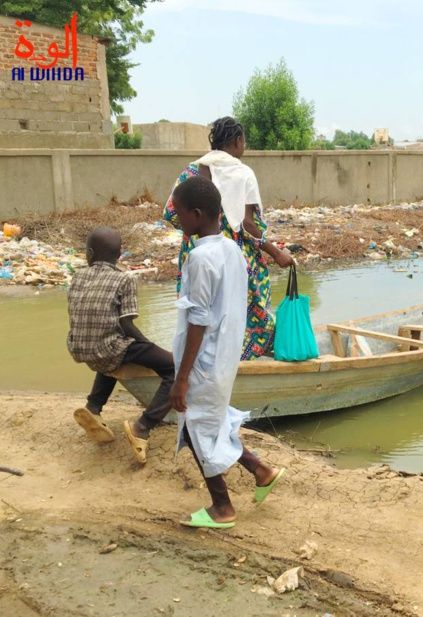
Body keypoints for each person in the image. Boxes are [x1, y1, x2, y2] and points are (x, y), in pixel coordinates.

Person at [168, 176, 285, 529]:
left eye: (180, 213)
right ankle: (260, 470)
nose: (177, 220)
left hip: (204, 360)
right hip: (224, 356)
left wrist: (182, 379)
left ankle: (223, 507)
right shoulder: (231, 249)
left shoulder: (200, 258)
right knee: (210, 422)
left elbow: (199, 320)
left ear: (198, 214)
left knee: (195, 428)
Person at [163, 116, 294, 360]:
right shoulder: (243, 173)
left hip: (196, 252)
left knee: (197, 309)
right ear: (237, 141)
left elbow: (171, 213)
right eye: (244, 140)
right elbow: (247, 225)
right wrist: (276, 253)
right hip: (235, 257)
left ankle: (194, 360)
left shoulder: (191, 170)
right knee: (251, 310)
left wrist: (197, 234)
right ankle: (243, 358)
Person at [67, 227, 175, 465]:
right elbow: (126, 324)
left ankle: (93, 407)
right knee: (174, 368)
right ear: (119, 256)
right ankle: (143, 426)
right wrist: (148, 344)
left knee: (111, 353)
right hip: (107, 346)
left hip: (79, 347)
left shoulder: (78, 276)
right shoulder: (124, 278)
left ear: (90, 253)